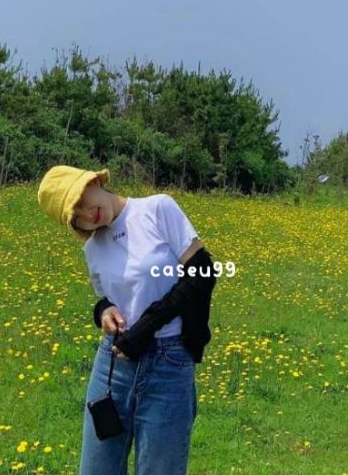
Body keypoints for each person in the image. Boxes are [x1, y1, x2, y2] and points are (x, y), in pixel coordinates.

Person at [37, 165, 217, 475]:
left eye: (81, 200)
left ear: (94, 181)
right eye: (74, 215)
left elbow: (202, 273)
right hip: (113, 366)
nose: (85, 213)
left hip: (169, 363)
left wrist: (146, 328)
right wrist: (104, 312)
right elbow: (108, 298)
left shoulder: (157, 209)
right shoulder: (93, 248)